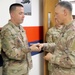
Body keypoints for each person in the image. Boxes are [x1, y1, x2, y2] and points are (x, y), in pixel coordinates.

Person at [36, 1, 75, 75]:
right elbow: (59, 46)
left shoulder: (73, 31)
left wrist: (52, 58)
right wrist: (44, 46)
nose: (55, 17)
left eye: (57, 14)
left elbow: (73, 60)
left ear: (65, 13)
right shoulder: (65, 28)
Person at [1, 3, 40, 75]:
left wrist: (33, 47)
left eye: (23, 13)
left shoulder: (21, 28)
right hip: (14, 72)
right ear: (12, 14)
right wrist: (30, 49)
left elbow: (23, 46)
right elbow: (12, 53)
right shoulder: (6, 30)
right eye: (20, 13)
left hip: (24, 69)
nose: (23, 16)